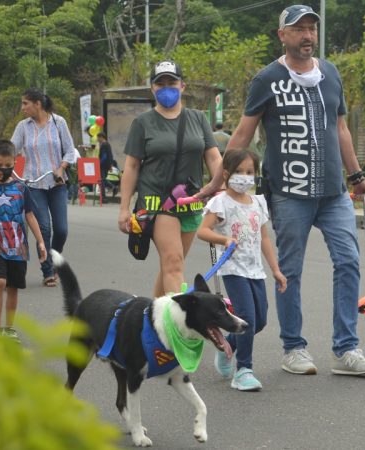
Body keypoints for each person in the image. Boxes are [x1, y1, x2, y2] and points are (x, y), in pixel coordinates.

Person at [227, 5, 365, 376]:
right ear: (282, 35)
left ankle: (346, 349)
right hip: (289, 193)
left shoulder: (330, 73)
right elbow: (244, 133)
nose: (307, 35)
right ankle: (293, 348)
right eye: (299, 29)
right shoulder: (267, 79)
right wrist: (219, 181)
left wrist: (356, 175)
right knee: (289, 272)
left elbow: (341, 129)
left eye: (312, 28)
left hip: (333, 194)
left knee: (347, 261)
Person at [117, 60, 224, 297]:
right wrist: (124, 208)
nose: (166, 88)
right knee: (174, 262)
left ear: (182, 86)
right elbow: (132, 166)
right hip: (157, 204)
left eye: (172, 82)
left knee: (171, 266)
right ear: (152, 89)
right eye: (160, 83)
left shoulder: (198, 119)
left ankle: (152, 318)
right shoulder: (142, 123)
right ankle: (175, 328)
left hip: (192, 203)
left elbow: (214, 159)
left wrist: (222, 193)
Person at [196, 149, 286, 391]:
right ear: (226, 173)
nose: (244, 177)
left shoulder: (258, 202)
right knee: (246, 317)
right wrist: (224, 240)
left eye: (249, 172)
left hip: (256, 270)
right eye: (238, 172)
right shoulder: (220, 202)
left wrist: (276, 270)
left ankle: (229, 348)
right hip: (234, 270)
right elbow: (202, 231)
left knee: (260, 321)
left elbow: (265, 239)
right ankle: (243, 370)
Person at [0, 139, 47, 340]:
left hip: (18, 245)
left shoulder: (21, 189)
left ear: (14, 163)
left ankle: (9, 328)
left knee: (13, 286)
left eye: (8, 166)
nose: (4, 169)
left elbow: (30, 216)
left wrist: (40, 242)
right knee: (0, 282)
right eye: (0, 165)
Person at [11, 88, 78, 287]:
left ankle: (54, 260)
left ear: (37, 104)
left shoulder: (59, 122)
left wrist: (61, 168)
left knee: (61, 230)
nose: (22, 107)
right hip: (33, 184)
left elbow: (70, 151)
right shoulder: (23, 127)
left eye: (25, 103)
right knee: (44, 228)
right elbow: (12, 149)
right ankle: (48, 270)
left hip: (56, 183)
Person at [97, 131, 113, 201]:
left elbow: (104, 156)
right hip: (107, 165)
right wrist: (110, 165)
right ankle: (113, 187)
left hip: (103, 165)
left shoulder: (103, 145)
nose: (97, 139)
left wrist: (99, 163)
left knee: (102, 180)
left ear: (101, 137)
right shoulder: (108, 144)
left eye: (98, 138)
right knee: (103, 180)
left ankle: (103, 197)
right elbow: (110, 155)